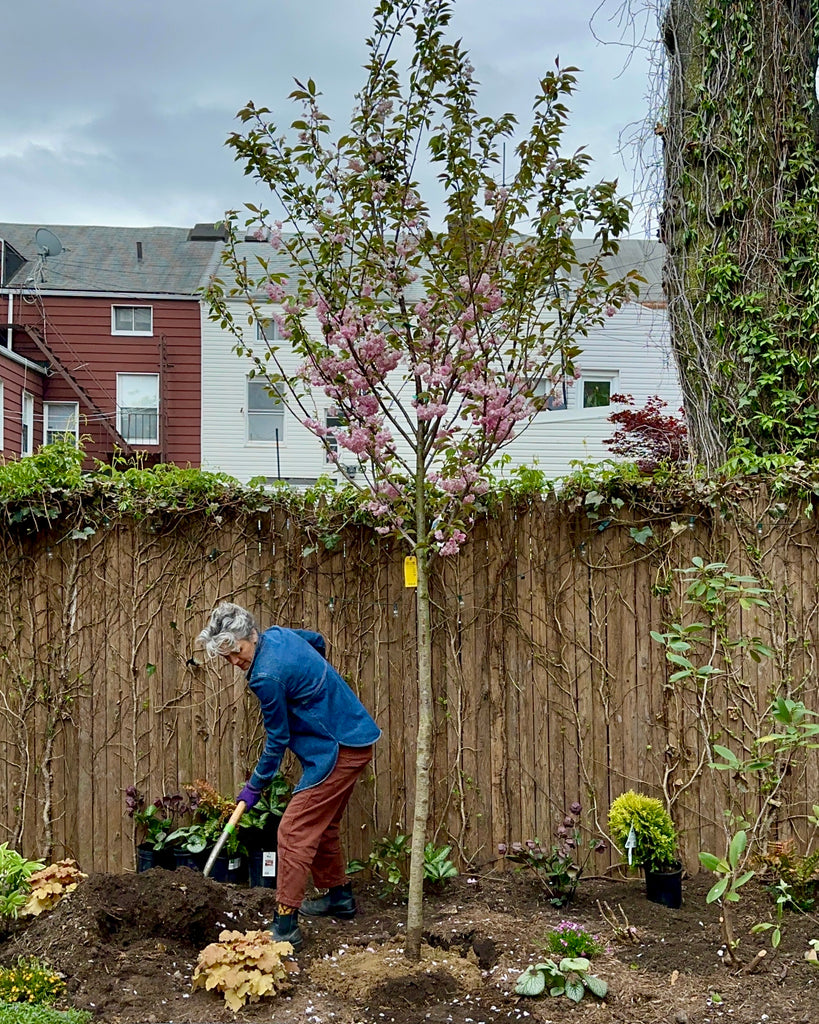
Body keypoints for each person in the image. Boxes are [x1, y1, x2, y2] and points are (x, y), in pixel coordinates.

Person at [198, 601, 381, 951]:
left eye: (237, 652)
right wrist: (315, 692)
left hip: (338, 748)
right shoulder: (280, 636)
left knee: (294, 830)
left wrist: (253, 790)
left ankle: (285, 924)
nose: (235, 663)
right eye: (227, 659)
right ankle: (339, 897)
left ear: (250, 636)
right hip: (353, 736)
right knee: (321, 823)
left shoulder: (266, 676)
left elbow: (277, 740)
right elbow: (317, 641)